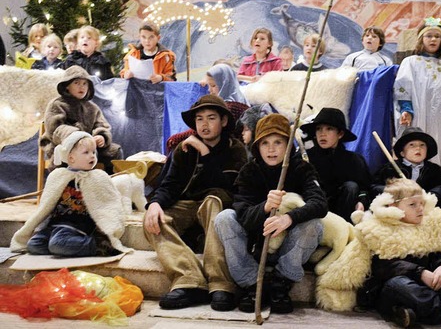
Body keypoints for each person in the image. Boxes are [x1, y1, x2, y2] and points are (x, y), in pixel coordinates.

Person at [318, 178, 441, 328]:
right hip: (390, 288)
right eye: (412, 204)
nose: (420, 209)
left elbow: (440, 252)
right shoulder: (379, 229)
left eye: (422, 203)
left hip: (424, 287)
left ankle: (407, 311)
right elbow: (384, 267)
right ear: (394, 207)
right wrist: (420, 273)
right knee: (399, 284)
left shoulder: (428, 226)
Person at [143, 94, 248, 311]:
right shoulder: (183, 149)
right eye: (199, 119)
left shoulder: (234, 148)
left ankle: (220, 283)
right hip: (187, 204)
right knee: (154, 220)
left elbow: (229, 185)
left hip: (218, 205)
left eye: (211, 118)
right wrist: (154, 204)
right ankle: (189, 280)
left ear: (224, 121)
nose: (204, 124)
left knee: (213, 202)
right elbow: (169, 185)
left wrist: (205, 152)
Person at [215, 113, 327, 314]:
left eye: (278, 142)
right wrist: (265, 207)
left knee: (315, 225)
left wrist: (289, 218)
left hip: (289, 246)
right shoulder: (249, 171)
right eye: (265, 143)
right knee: (224, 218)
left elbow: (320, 203)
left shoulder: (301, 168)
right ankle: (252, 283)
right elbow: (243, 214)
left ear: (288, 145)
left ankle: (281, 282)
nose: (272, 149)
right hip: (256, 244)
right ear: (257, 146)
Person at [11, 131, 132, 257]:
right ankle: (66, 246)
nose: (92, 156)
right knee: (34, 245)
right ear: (71, 158)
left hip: (78, 226)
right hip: (55, 224)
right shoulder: (58, 175)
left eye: (93, 152)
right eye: (86, 152)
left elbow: (110, 203)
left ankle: (98, 245)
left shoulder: (98, 176)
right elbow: (47, 204)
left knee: (57, 244)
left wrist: (108, 229)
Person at [394, 17, 441, 172]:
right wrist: (406, 109)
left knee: (436, 146)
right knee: (417, 144)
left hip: (439, 120)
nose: (433, 39)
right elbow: (402, 87)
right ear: (421, 39)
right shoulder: (411, 62)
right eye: (429, 36)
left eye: (437, 36)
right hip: (418, 115)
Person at [40, 66, 122, 174]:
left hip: (88, 147)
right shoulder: (57, 104)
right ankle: (70, 187)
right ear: (67, 86)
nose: (81, 87)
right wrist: (77, 137)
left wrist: (101, 136)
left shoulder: (92, 108)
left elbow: (101, 125)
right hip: (63, 145)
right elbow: (55, 128)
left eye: (85, 84)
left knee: (114, 151)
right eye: (76, 83)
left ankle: (108, 183)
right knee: (74, 155)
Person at [300, 107, 371, 222]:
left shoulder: (354, 160)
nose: (322, 134)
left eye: (329, 129)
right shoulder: (305, 158)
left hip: (343, 215)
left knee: (351, 186)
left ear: (340, 134)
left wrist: (361, 202)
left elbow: (365, 188)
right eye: (319, 129)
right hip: (313, 211)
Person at [372, 127, 441, 224]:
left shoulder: (436, 170)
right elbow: (375, 187)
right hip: (398, 208)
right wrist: (396, 192)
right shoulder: (389, 168)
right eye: (412, 145)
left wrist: (430, 196)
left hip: (425, 209)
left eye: (422, 145)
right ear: (402, 152)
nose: (418, 148)